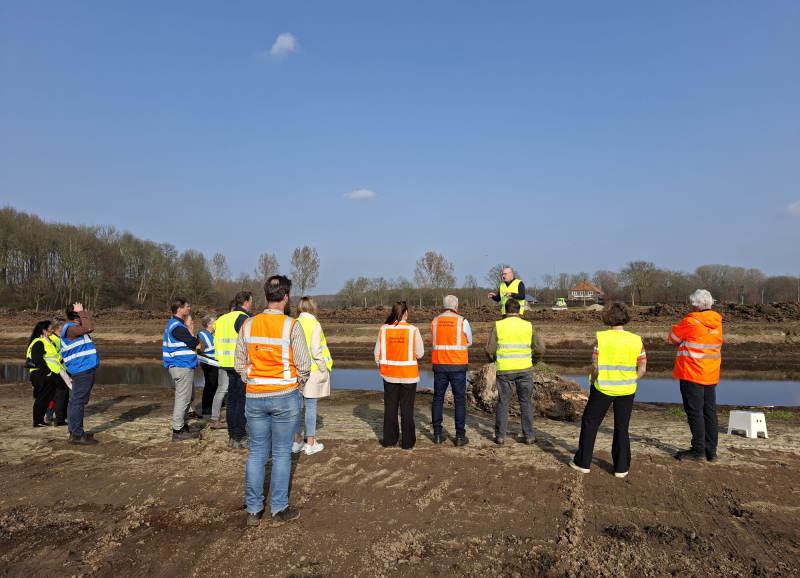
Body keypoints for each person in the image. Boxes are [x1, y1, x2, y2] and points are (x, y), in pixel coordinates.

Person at [237, 275, 311, 527]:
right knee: (281, 455)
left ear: (266, 295)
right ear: (286, 296)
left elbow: (239, 364)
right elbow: (304, 365)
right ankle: (278, 510)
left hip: (255, 396)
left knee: (257, 453)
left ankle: (254, 511)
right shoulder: (292, 326)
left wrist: (253, 380)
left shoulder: (248, 325)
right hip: (285, 396)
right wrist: (296, 387)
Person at [569, 302, 646, 478]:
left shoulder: (601, 338)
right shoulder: (636, 340)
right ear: (626, 317)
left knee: (590, 423)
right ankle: (621, 468)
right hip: (627, 390)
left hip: (603, 388)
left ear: (607, 317)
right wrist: (632, 380)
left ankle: (582, 463)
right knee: (622, 427)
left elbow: (594, 366)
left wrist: (593, 381)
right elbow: (642, 367)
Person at [669, 289, 723, 462]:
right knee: (710, 412)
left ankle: (698, 449)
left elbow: (672, 338)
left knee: (694, 412)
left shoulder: (690, 321)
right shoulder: (717, 323)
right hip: (711, 373)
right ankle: (711, 451)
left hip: (691, 373)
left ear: (694, 304)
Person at [485, 298, 544, 445]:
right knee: (526, 403)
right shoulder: (528, 325)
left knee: (503, 403)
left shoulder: (498, 325)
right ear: (519, 311)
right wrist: (534, 361)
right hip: (525, 369)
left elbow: (489, 349)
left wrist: (494, 359)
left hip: (505, 370)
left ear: (505, 311)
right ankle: (529, 436)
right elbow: (541, 348)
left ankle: (500, 437)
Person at [375, 301, 424, 450]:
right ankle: (408, 442)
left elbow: (377, 354)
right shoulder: (413, 330)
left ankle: (389, 440)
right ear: (406, 313)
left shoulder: (384, 329)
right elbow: (420, 353)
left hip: (389, 375)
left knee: (390, 408)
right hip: (408, 375)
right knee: (407, 409)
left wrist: (384, 366)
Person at [430, 295, 472, 446]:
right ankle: (460, 436)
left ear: (443, 306)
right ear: (456, 306)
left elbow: (435, 340)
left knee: (438, 399)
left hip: (440, 365)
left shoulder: (435, 321)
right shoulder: (462, 321)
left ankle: (438, 435)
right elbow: (470, 341)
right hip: (457, 366)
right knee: (460, 401)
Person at [293, 297, 332, 455]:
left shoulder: (293, 323)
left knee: (296, 406)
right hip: (313, 370)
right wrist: (324, 369)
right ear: (312, 308)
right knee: (311, 407)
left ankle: (296, 441)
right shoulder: (314, 324)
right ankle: (310, 443)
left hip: (295, 371)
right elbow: (317, 351)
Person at [215, 292, 254, 448]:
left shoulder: (223, 318)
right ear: (245, 303)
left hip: (225, 363)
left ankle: (232, 435)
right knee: (241, 400)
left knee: (232, 400)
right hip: (239, 364)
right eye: (251, 302)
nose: (252, 304)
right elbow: (248, 341)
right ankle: (239, 436)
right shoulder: (242, 318)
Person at [163, 298, 204, 442]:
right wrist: (191, 332)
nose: (189, 308)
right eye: (187, 306)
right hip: (182, 366)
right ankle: (178, 431)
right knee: (183, 399)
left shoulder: (175, 325)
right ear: (179, 309)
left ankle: (184, 426)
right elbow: (196, 344)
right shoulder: (178, 327)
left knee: (188, 397)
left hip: (183, 366)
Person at [61, 302, 100, 445]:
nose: (86, 312)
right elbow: (89, 327)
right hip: (82, 370)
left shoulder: (72, 328)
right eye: (83, 310)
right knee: (78, 401)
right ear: (76, 315)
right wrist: (82, 312)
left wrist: (81, 313)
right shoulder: (72, 329)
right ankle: (77, 434)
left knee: (75, 401)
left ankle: (74, 432)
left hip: (81, 369)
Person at [26, 320, 70, 427]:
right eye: (50, 328)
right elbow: (37, 359)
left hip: (51, 373)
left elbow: (54, 357)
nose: (52, 330)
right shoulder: (39, 342)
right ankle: (38, 421)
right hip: (42, 374)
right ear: (44, 331)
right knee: (42, 398)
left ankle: (59, 418)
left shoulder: (47, 341)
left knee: (58, 394)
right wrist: (48, 373)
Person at [209, 300, 236, 430]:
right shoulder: (236, 320)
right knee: (227, 390)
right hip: (233, 361)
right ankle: (218, 418)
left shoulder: (220, 322)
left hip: (222, 360)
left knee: (222, 389)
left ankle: (215, 418)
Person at [44, 316, 67, 424]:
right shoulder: (51, 339)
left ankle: (62, 414)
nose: (65, 326)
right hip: (55, 370)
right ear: (57, 326)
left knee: (62, 393)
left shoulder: (63, 337)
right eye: (63, 324)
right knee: (56, 394)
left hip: (64, 369)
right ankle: (51, 415)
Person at [198, 314, 218, 416]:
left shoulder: (215, 334)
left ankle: (212, 405)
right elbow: (200, 351)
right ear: (208, 324)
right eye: (215, 322)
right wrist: (209, 360)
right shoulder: (202, 335)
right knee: (210, 385)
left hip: (216, 364)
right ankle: (206, 407)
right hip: (209, 364)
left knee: (215, 385)